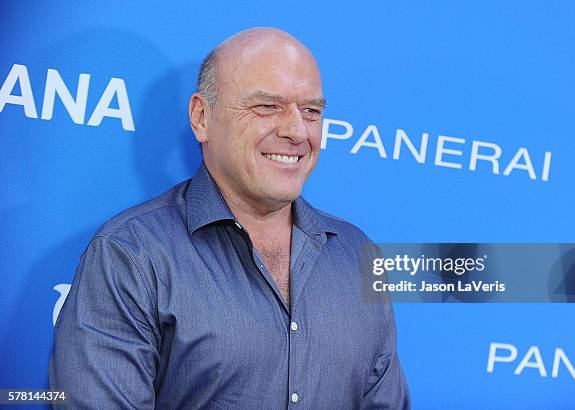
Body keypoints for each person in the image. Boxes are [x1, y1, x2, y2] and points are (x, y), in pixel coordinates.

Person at [50, 27, 410, 409]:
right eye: (267, 107)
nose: (296, 131)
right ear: (201, 117)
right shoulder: (131, 255)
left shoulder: (357, 256)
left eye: (311, 111)